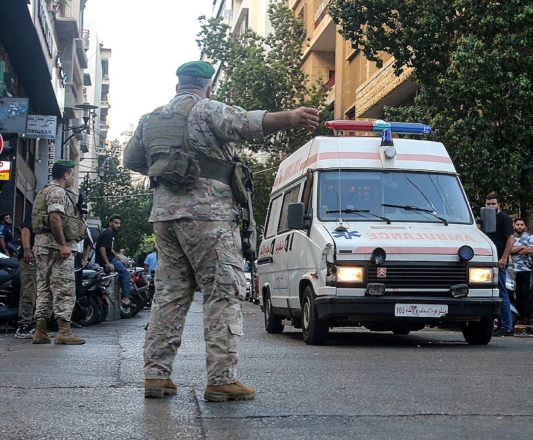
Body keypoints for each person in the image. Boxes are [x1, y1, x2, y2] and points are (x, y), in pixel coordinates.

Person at [124, 60, 319, 401]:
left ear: (177, 86)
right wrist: (292, 116)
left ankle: (156, 375)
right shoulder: (206, 110)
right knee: (222, 292)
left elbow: (131, 160)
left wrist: (167, 168)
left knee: (169, 295)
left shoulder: (151, 119)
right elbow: (249, 124)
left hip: (165, 218)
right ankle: (220, 379)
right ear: (207, 86)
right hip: (208, 217)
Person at [30, 159, 86, 345]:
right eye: (72, 175)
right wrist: (63, 244)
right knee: (64, 289)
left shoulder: (45, 190)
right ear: (65, 175)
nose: (72, 178)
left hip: (43, 247)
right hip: (56, 248)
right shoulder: (57, 192)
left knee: (44, 289)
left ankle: (40, 330)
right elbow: (55, 218)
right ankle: (64, 331)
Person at [483, 194, 515, 337]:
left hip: (499, 260)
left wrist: (503, 257)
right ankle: (501, 324)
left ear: (499, 205)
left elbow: (510, 238)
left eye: (493, 204)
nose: (490, 206)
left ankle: (507, 326)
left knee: (502, 292)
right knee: (495, 292)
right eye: (488, 204)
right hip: (490, 260)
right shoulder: (486, 219)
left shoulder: (504, 218)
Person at [96, 215, 132, 306]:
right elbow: (102, 249)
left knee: (124, 267)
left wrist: (120, 259)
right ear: (110, 223)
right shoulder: (107, 234)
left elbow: (111, 249)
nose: (118, 225)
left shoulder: (110, 234)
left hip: (112, 258)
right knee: (125, 273)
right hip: (108, 260)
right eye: (116, 223)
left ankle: (121, 290)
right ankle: (125, 297)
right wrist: (108, 263)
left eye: (119, 223)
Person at [14, 208, 37, 339]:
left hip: (40, 257)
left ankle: (34, 326)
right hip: (30, 257)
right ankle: (23, 326)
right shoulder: (35, 210)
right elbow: (26, 229)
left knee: (39, 292)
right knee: (29, 290)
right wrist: (27, 250)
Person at [510, 218, 533, 324]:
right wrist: (521, 247)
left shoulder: (530, 236)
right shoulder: (511, 238)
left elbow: (530, 250)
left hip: (525, 269)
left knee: (525, 294)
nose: (519, 226)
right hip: (512, 269)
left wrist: (515, 250)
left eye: (521, 224)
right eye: (517, 224)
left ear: (524, 226)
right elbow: (509, 250)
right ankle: (518, 316)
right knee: (516, 294)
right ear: (514, 226)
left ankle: (527, 317)